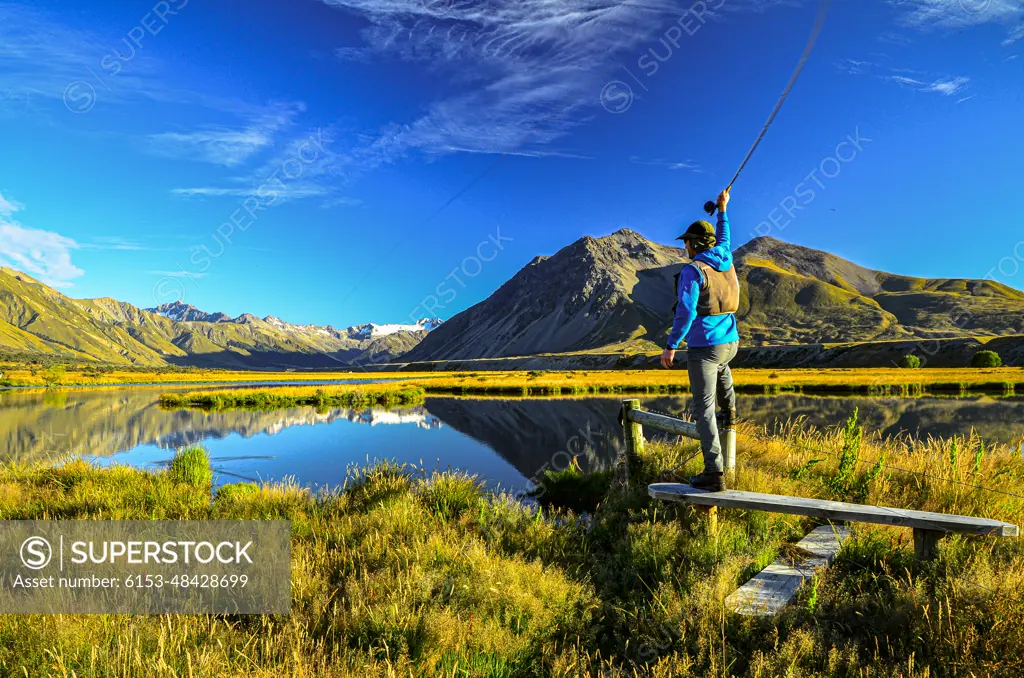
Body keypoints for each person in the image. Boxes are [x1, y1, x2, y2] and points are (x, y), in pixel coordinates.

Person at [660, 187, 740, 492]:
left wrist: (671, 346)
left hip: (704, 347)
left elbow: (686, 311)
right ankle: (730, 410)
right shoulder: (725, 257)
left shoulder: (693, 271)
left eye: (687, 244)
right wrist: (723, 209)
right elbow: (725, 237)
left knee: (703, 409)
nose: (685, 248)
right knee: (722, 372)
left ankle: (713, 473)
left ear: (693, 244)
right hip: (730, 343)